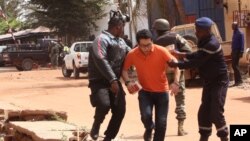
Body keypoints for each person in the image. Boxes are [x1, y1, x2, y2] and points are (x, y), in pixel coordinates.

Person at [168, 17, 229, 141]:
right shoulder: (203, 40)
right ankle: (204, 137)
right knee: (203, 113)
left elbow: (196, 62)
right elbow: (197, 54)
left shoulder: (212, 43)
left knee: (216, 112)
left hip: (219, 81)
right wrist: (182, 54)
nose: (196, 32)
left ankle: (224, 138)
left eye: (198, 30)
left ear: (207, 30)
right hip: (208, 81)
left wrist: (177, 64)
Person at [122, 29, 180, 141]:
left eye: (149, 45)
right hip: (145, 92)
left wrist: (176, 82)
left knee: (162, 123)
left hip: (162, 92)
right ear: (138, 44)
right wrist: (128, 82)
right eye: (143, 46)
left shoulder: (162, 51)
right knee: (146, 116)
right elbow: (124, 70)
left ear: (152, 41)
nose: (146, 48)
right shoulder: (132, 54)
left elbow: (176, 66)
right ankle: (149, 128)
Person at [88, 10, 130, 141]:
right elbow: (101, 59)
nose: (123, 29)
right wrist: (112, 80)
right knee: (104, 104)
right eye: (123, 26)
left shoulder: (121, 42)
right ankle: (96, 126)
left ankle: (109, 137)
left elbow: (132, 55)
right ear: (118, 26)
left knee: (120, 110)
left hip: (115, 81)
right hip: (100, 81)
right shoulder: (101, 40)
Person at [152, 18, 192, 136]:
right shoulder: (176, 37)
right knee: (180, 100)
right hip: (177, 73)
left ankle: (158, 129)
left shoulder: (154, 41)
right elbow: (188, 50)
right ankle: (180, 128)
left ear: (157, 30)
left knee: (160, 102)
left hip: (161, 75)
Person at [231, 22, 244, 86]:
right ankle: (237, 81)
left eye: (233, 26)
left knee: (235, 65)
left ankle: (239, 80)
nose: (232, 27)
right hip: (234, 51)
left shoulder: (240, 33)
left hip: (237, 51)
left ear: (236, 26)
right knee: (234, 65)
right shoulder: (234, 32)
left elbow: (242, 43)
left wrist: (241, 52)